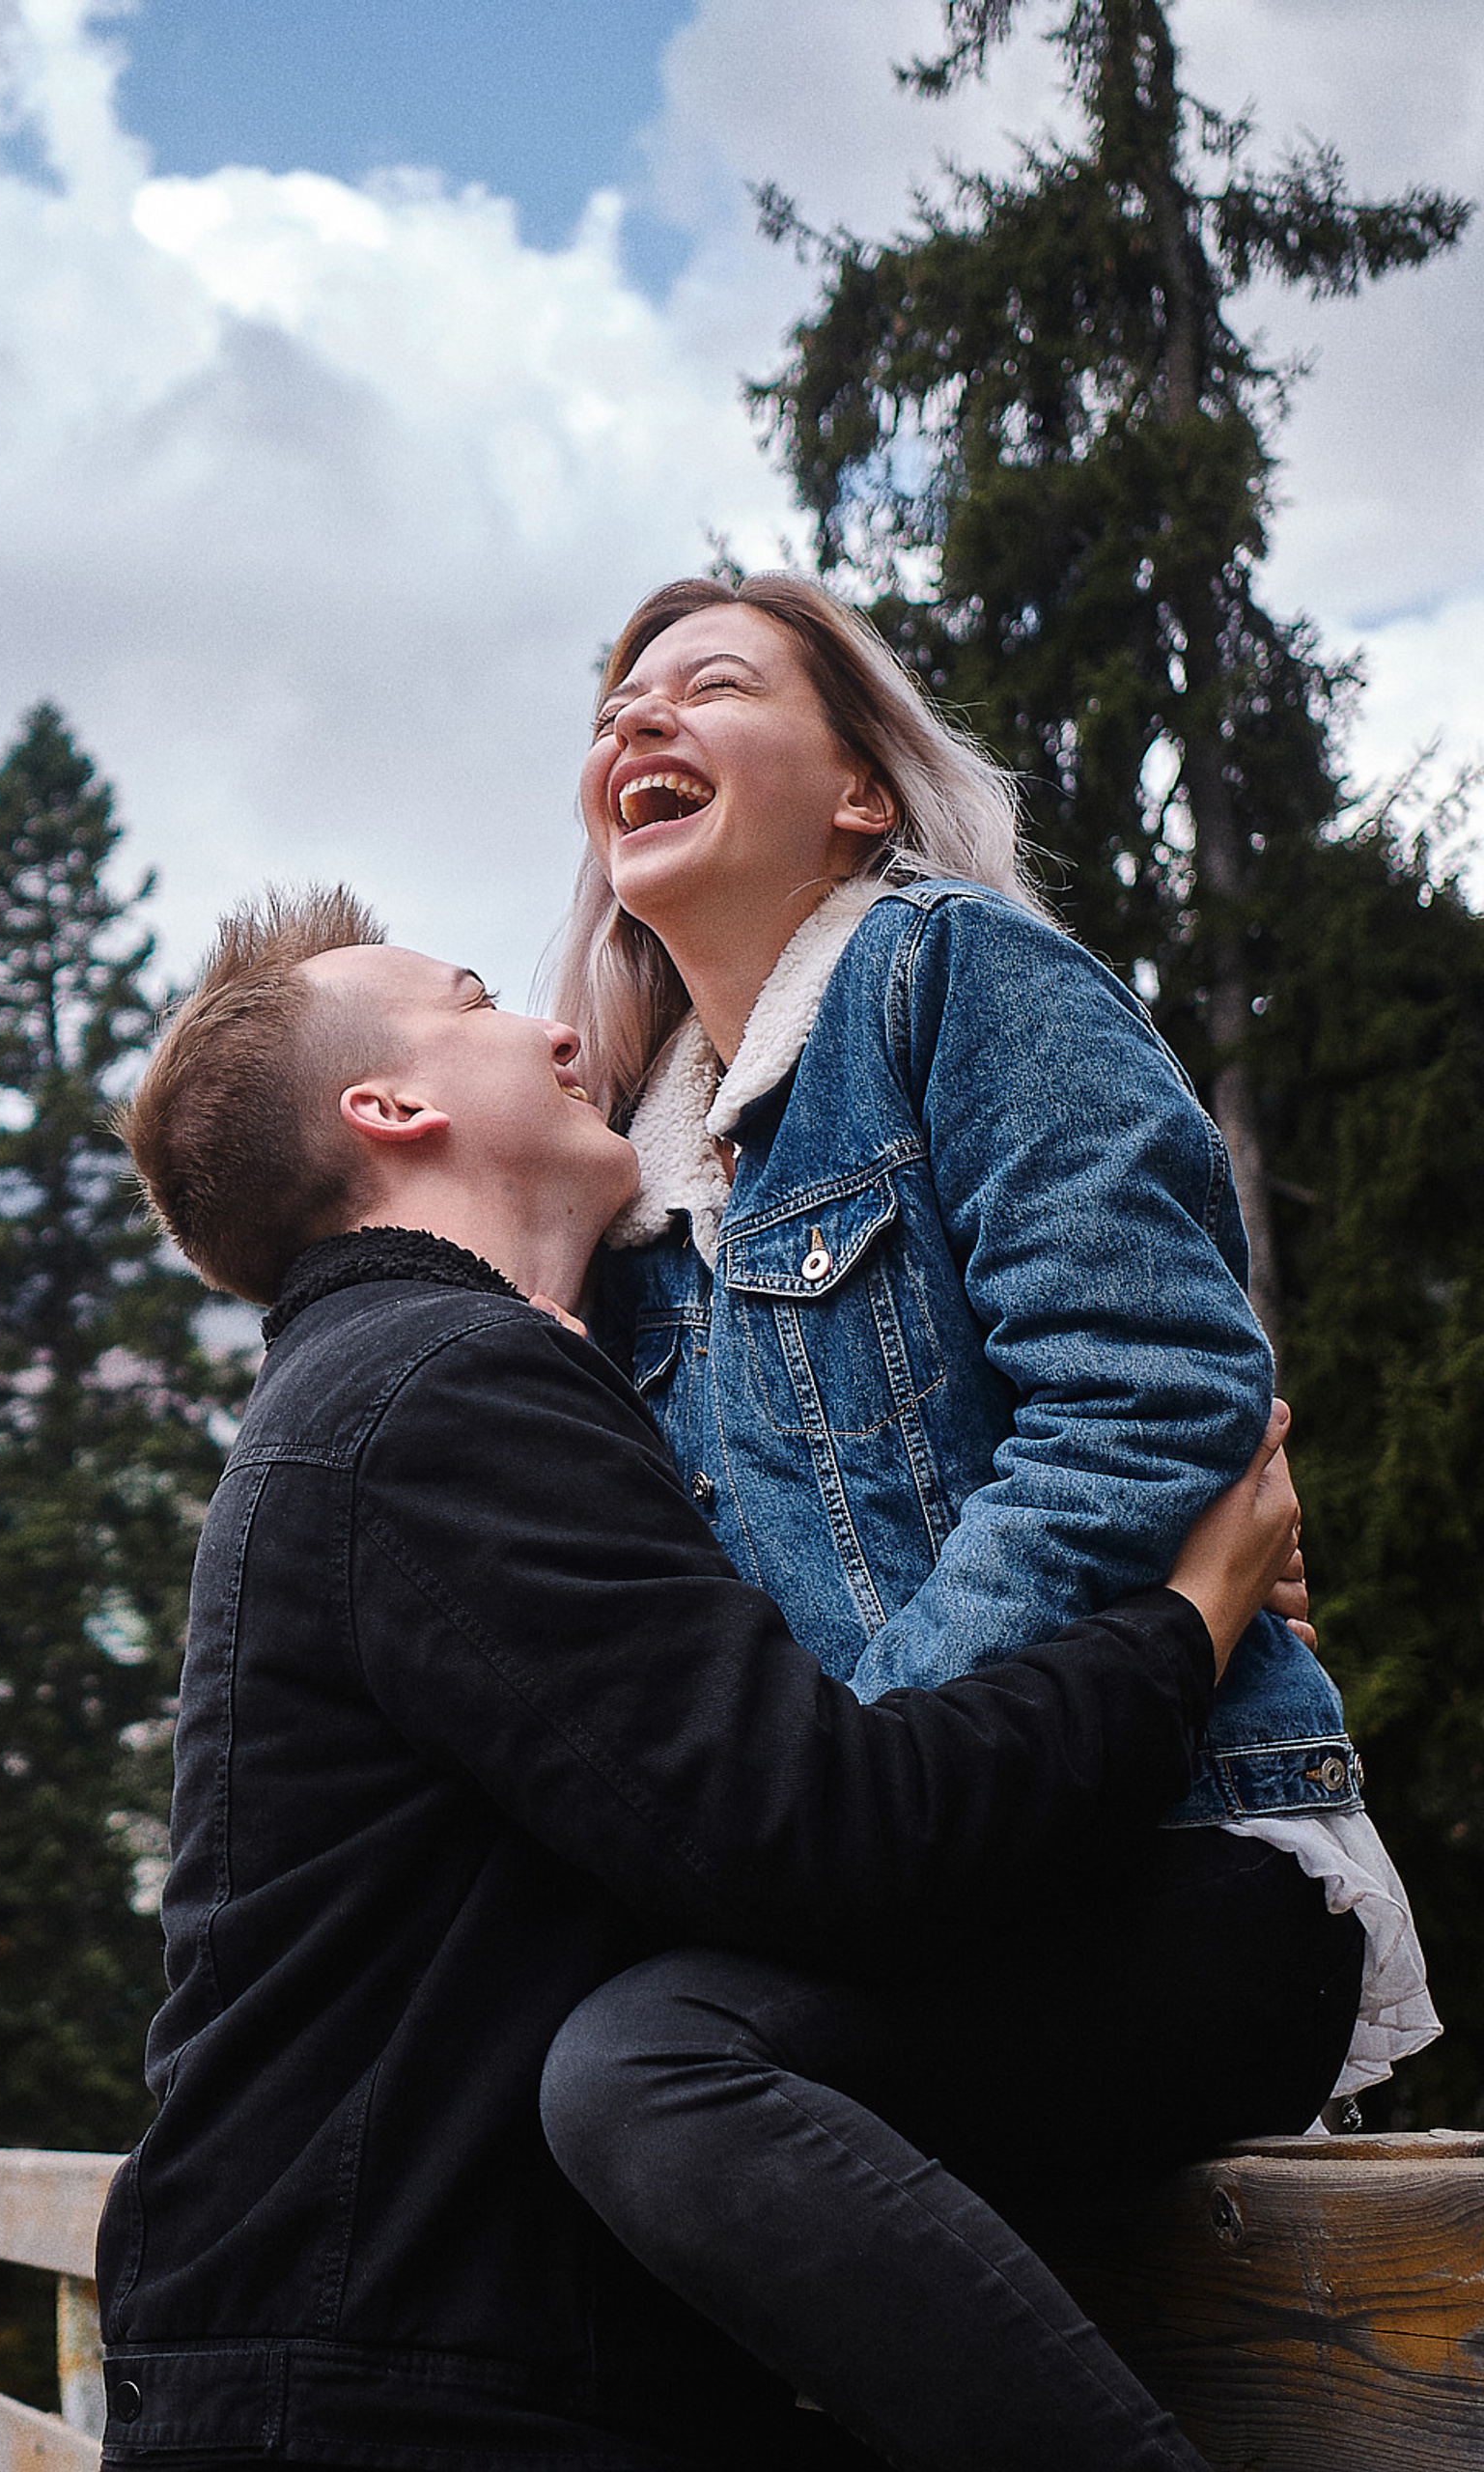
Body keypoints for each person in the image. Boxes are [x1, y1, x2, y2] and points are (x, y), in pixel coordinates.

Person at [100, 886, 1304, 2472]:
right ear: (392, 1109)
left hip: (377, 2354)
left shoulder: (398, 1393)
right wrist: (1182, 1627)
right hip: (392, 2395)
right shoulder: (443, 1396)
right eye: (470, 999)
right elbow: (820, 1833)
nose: (545, 1022)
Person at [534, 571, 1432, 2456]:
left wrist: (871, 1782)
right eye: (614, 708)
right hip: (905, 1902)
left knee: (641, 2069)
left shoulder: (950, 972)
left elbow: (1148, 1392)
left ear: (859, 787)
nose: (635, 721)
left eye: (707, 686)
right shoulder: (621, 1202)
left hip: (1184, 1858)